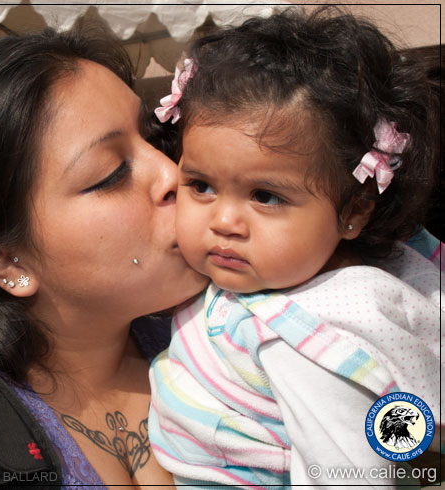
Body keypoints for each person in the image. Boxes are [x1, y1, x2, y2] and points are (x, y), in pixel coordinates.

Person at [149, 9, 443, 488]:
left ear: (355, 211)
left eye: (266, 196)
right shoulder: (270, 276)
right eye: (200, 185)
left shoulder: (302, 342)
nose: (223, 222)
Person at [0, 18, 208, 489]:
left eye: (152, 136)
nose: (173, 173)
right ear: (6, 261)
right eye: (109, 173)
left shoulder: (238, 331)